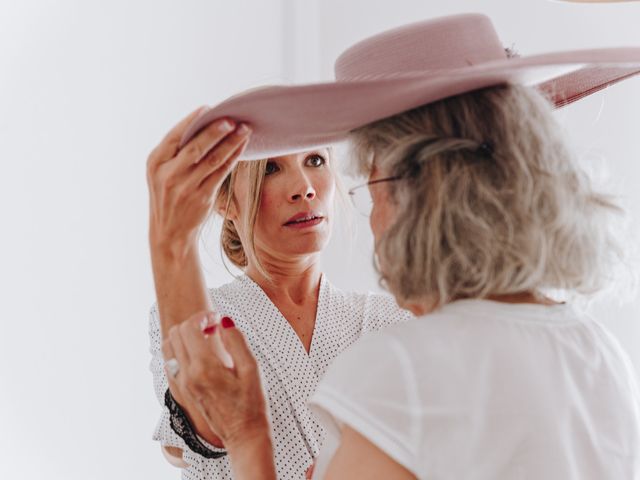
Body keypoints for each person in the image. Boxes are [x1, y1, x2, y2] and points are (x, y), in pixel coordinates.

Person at [158, 13, 640, 480]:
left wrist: (248, 437)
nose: (372, 218)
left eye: (370, 184)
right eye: (272, 169)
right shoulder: (601, 352)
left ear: (416, 192)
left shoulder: (401, 366)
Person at [146, 113, 413, 478]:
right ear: (224, 200)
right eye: (271, 168)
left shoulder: (396, 320)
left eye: (315, 160)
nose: (303, 188)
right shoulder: (202, 310)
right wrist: (171, 241)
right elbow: (199, 432)